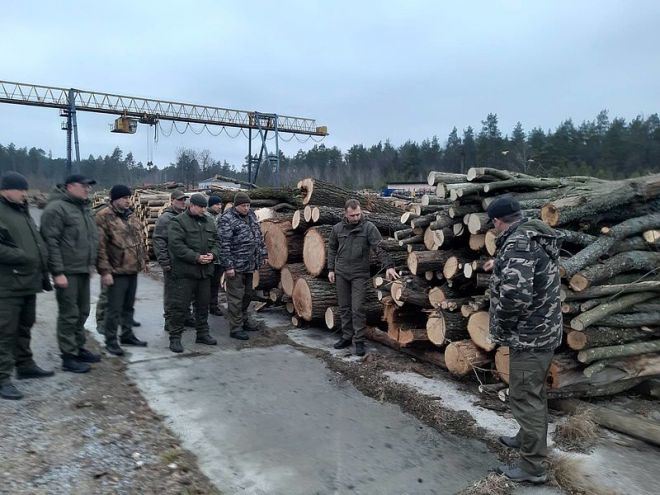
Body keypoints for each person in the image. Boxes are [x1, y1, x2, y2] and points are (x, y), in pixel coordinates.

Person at [485, 196, 562, 484]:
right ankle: (526, 438)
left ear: (497, 221)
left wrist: (501, 329)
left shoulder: (519, 243)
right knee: (533, 393)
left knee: (524, 396)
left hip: (530, 336)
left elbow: (516, 295)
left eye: (492, 224)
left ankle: (533, 467)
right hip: (543, 330)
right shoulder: (534, 234)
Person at [0, 172, 54, 400]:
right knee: (5, 331)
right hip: (7, 285)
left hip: (27, 282)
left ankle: (25, 364)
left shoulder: (20, 211)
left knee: (25, 325)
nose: (24, 194)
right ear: (5, 190)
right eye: (20, 190)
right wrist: (22, 255)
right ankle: (2, 378)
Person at [41, 174, 101, 373]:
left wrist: (90, 265)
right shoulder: (56, 209)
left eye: (88, 186)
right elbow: (51, 242)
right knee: (69, 314)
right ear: (69, 187)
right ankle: (68, 356)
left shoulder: (83, 208)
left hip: (82, 270)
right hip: (67, 271)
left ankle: (78, 348)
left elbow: (90, 239)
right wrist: (57, 272)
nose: (88, 189)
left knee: (83, 311)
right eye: (84, 186)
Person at [327, 199, 399, 356]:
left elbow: (380, 248)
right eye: (352, 215)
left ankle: (359, 340)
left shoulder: (368, 228)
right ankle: (347, 337)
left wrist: (389, 266)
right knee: (344, 307)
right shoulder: (337, 229)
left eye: (358, 214)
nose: (355, 218)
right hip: (341, 273)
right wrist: (331, 269)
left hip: (359, 273)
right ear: (345, 214)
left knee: (357, 308)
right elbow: (332, 248)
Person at [96, 185, 149, 356]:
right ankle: (111, 340)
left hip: (132, 268)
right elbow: (100, 247)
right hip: (116, 271)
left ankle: (127, 335)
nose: (127, 200)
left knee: (128, 307)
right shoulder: (104, 217)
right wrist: (105, 272)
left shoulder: (131, 216)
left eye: (128, 197)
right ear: (114, 199)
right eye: (124, 197)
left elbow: (139, 240)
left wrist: (144, 261)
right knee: (114, 308)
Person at [167, 193, 220, 353]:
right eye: (201, 207)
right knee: (179, 307)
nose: (204, 210)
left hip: (204, 273)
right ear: (191, 206)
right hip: (185, 273)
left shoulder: (209, 222)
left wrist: (213, 254)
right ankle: (175, 338)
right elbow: (176, 245)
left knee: (202, 305)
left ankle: (202, 334)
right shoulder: (178, 222)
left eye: (205, 207)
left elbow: (217, 241)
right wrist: (196, 257)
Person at [218, 191, 267, 340]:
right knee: (235, 297)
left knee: (248, 295)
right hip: (236, 266)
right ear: (236, 205)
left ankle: (244, 320)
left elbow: (258, 236)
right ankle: (236, 327)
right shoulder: (227, 219)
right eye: (243, 206)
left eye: (248, 205)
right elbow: (223, 244)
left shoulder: (251, 216)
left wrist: (263, 254)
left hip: (250, 264)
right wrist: (228, 266)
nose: (246, 208)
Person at [152, 190, 194, 333]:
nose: (183, 202)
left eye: (184, 200)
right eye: (180, 200)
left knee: (186, 292)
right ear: (173, 201)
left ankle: (186, 316)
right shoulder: (166, 218)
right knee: (172, 294)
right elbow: (159, 240)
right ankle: (169, 321)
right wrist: (164, 261)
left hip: (185, 262)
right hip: (172, 262)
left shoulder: (186, 216)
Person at [206, 195, 223, 315]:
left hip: (219, 257)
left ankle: (213, 305)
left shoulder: (221, 218)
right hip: (207, 256)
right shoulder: (205, 217)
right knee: (205, 284)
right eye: (217, 204)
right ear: (211, 205)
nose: (219, 207)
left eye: (220, 204)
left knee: (215, 284)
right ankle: (201, 306)